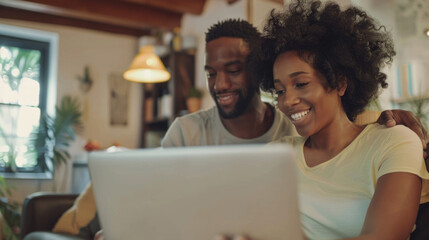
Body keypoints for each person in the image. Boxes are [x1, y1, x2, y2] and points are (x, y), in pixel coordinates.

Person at [245, 0, 429, 239]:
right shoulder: (277, 155)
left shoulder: (394, 142)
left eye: (301, 84)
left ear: (340, 83)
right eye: (280, 91)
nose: (287, 101)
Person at [161, 19, 429, 159]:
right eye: (210, 73)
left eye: (233, 71)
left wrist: (390, 120)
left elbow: (344, 131)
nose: (219, 84)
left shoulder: (298, 131)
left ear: (258, 69)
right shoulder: (185, 134)